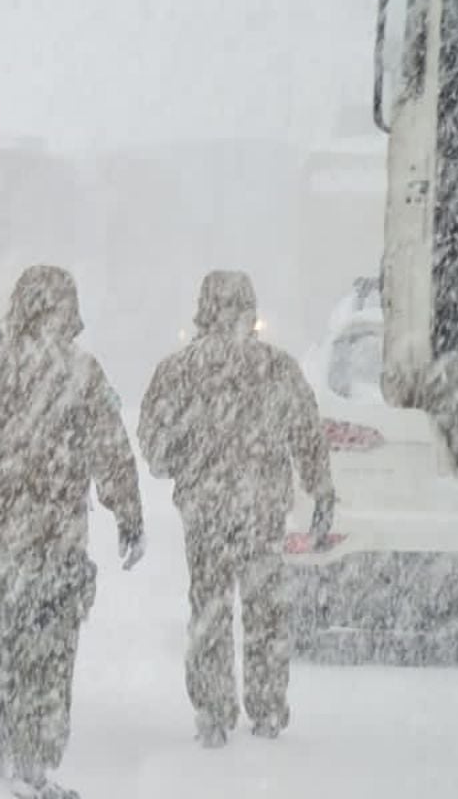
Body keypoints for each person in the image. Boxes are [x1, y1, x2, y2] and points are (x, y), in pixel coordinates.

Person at [0, 265, 145, 799]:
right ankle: (34, 759)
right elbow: (111, 449)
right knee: (50, 651)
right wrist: (127, 513)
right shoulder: (80, 371)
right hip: (56, 540)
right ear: (64, 310)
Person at [138, 270, 334, 748]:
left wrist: (187, 458)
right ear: (251, 311)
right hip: (262, 508)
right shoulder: (277, 368)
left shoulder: (177, 370)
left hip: (205, 512)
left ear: (202, 312)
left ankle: (213, 712)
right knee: (266, 611)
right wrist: (321, 491)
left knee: (209, 609)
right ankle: (266, 709)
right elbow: (307, 434)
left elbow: (155, 446)